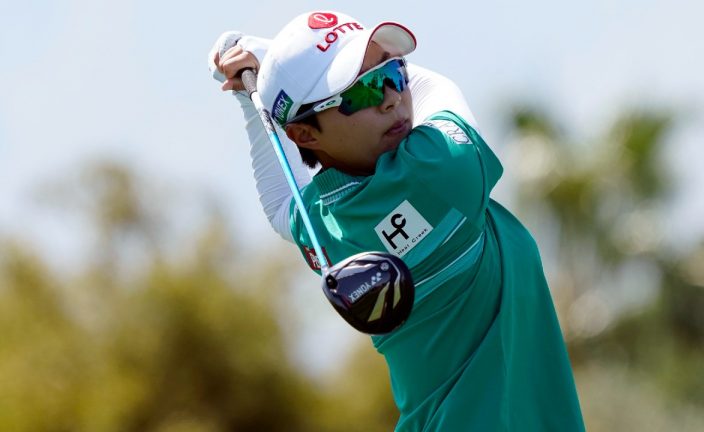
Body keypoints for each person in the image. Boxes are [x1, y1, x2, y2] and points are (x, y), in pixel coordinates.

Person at [209, 11, 584, 431]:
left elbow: (281, 205)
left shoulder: (326, 225)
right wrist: (268, 62)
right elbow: (436, 88)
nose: (390, 96)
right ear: (304, 134)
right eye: (363, 91)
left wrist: (258, 96)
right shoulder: (441, 167)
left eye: (394, 72)